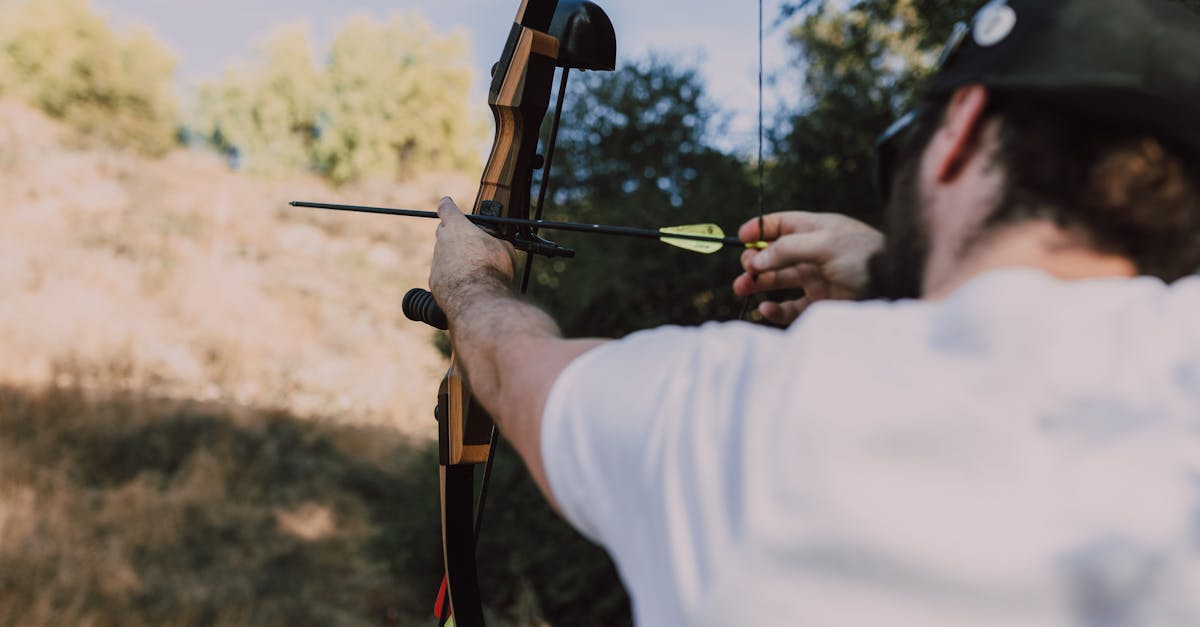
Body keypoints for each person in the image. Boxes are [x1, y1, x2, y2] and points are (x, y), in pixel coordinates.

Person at [428, 0, 1200, 623]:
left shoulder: (730, 414)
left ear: (961, 126)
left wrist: (472, 283)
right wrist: (890, 274)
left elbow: (513, 368)